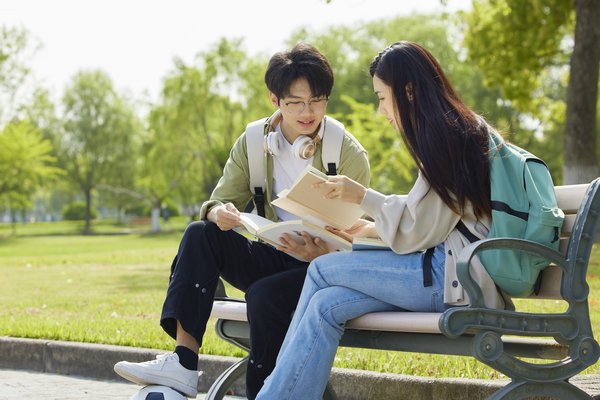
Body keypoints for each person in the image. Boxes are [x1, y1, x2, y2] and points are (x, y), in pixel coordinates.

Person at [255, 41, 510, 400]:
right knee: (326, 304)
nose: (380, 110)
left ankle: (272, 396)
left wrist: (362, 197)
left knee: (322, 269)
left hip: (455, 280)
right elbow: (426, 219)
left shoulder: (447, 137)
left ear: (407, 91)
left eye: (381, 97)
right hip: (447, 271)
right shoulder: (452, 130)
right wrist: (363, 229)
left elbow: (418, 233)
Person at [113, 43, 370, 399]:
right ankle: (184, 364)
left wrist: (320, 253)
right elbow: (219, 200)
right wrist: (218, 212)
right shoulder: (252, 141)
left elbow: (360, 239)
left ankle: (262, 393)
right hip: (272, 253)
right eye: (295, 102)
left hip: (320, 269)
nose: (308, 111)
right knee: (201, 233)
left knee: (265, 296)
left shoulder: (347, 152)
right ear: (274, 99)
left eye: (317, 100)